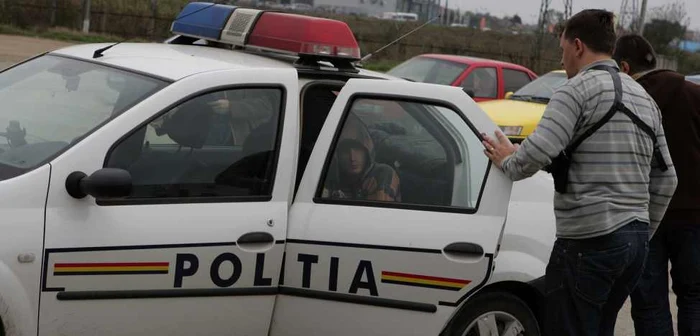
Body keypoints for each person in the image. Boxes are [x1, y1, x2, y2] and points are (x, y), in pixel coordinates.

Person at [481, 9, 678, 336]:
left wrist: (507, 159)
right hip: (634, 245)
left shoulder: (574, 91)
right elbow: (667, 179)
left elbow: (536, 154)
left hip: (589, 243)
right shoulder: (644, 99)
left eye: (562, 50)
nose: (563, 59)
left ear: (576, 46)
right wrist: (642, 230)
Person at [613, 34, 700, 336]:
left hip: (645, 217)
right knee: (695, 297)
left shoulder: (626, 103)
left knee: (649, 304)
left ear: (624, 67)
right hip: (694, 216)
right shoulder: (693, 93)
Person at [322, 112, 401, 202]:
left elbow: (377, 213)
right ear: (337, 154)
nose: (352, 158)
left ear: (366, 150)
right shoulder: (329, 178)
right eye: (345, 151)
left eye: (358, 149)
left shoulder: (382, 174)